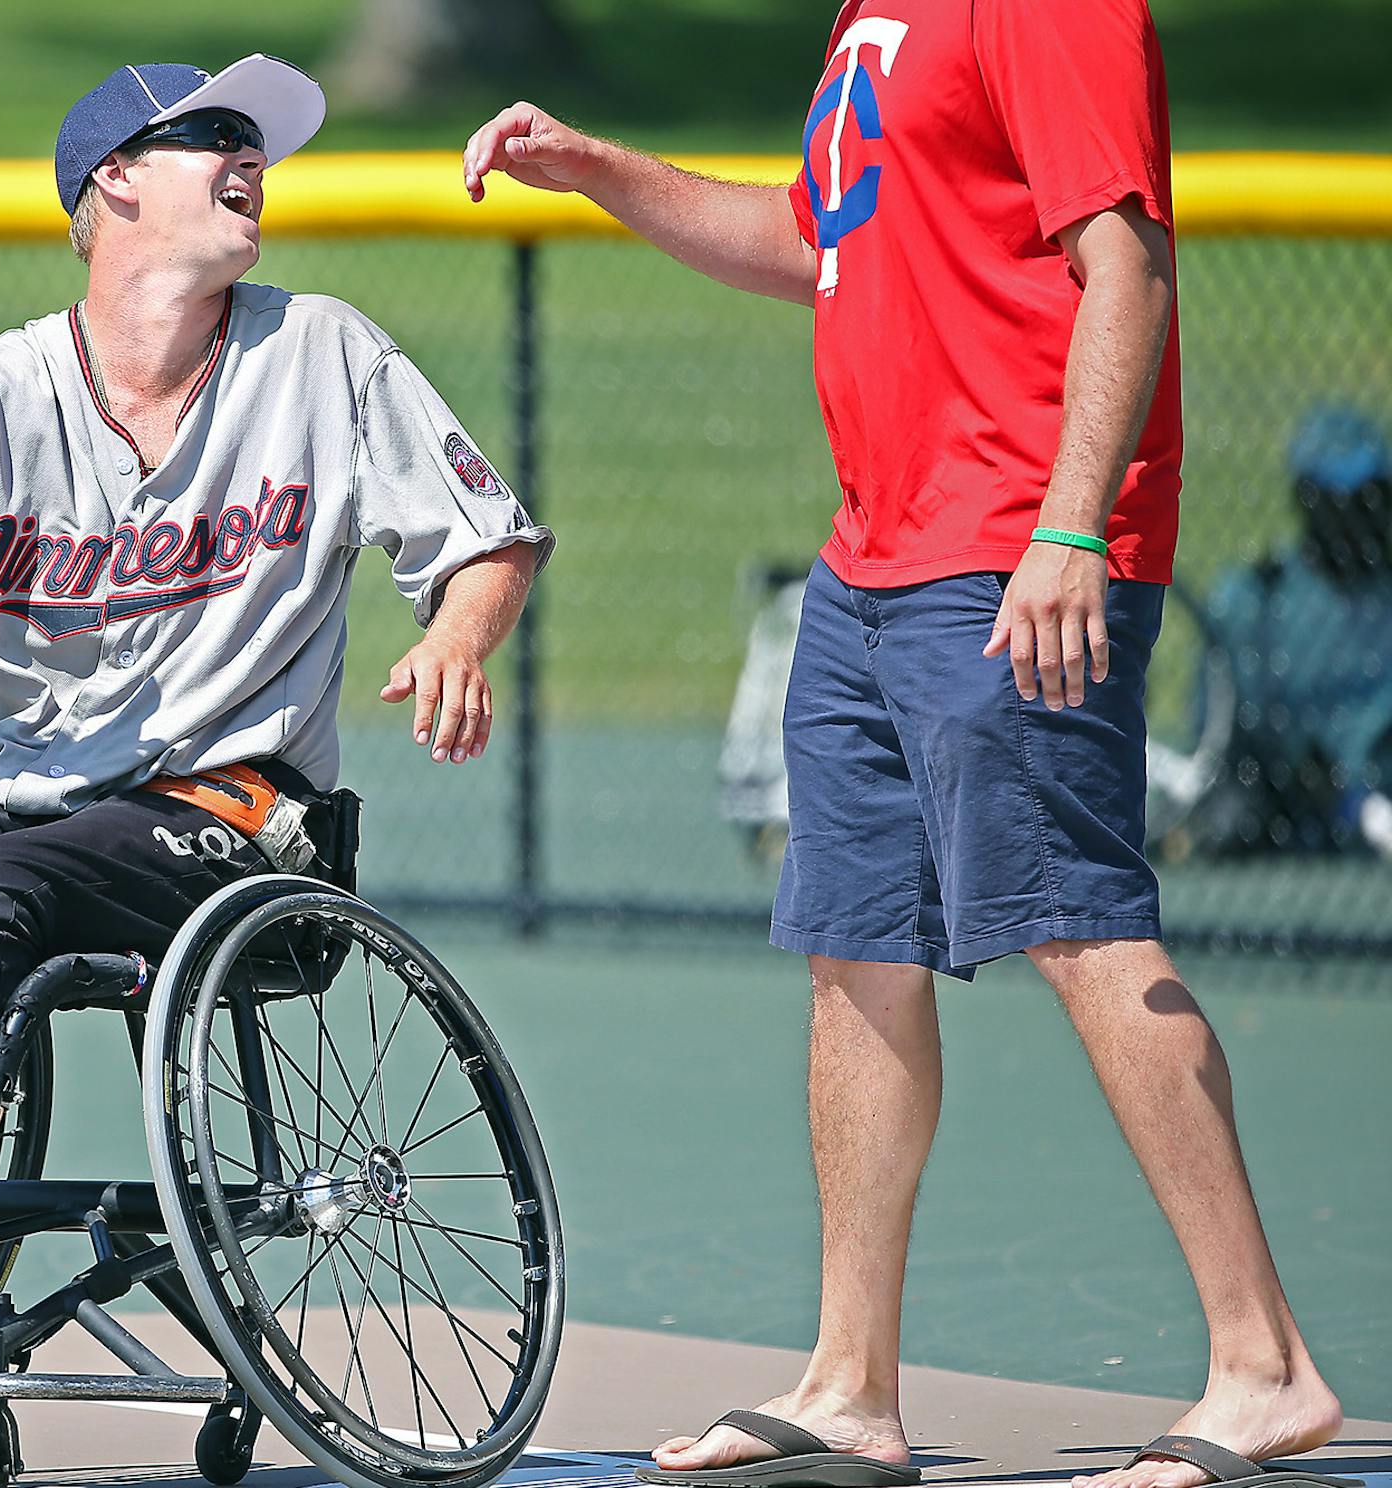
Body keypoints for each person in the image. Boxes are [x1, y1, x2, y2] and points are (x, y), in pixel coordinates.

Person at [459, 5, 1347, 1488]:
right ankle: (851, 1383)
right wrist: (599, 168)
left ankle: (1263, 1365)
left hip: (1009, 548)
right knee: (855, 945)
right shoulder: (876, 15)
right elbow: (815, 237)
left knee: (1080, 924)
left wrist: (1070, 526)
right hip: (872, 557)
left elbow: (1125, 263)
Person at [0, 53, 551, 1457]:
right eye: (215, 139)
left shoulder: (320, 351)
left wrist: (457, 639)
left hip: (234, 811)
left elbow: (489, 538)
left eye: (262, 147)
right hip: (14, 798)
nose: (253, 161)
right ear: (111, 181)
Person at [1182, 406, 1392, 858]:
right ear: (1307, 499)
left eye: (1373, 495)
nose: (1358, 516)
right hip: (1278, 829)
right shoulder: (1254, 602)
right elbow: (1217, 744)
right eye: (1340, 501)